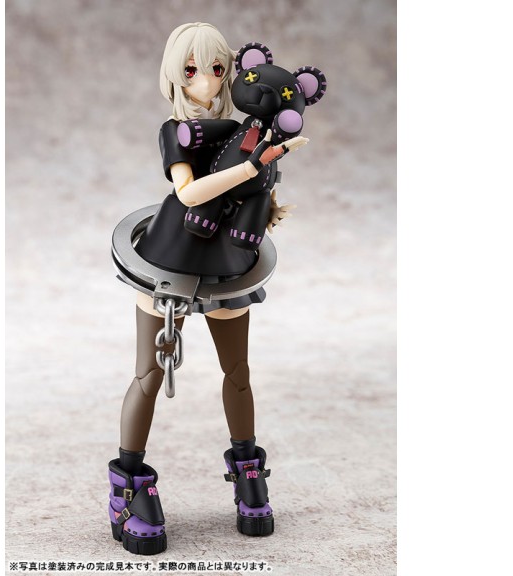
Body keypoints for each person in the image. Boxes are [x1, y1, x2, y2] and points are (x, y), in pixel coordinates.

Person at [107, 23, 303, 556]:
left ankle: (248, 470)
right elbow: (189, 192)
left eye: (218, 69)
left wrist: (264, 183)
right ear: (175, 74)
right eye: (193, 70)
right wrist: (252, 166)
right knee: (148, 373)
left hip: (228, 257)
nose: (208, 81)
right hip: (170, 251)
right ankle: (127, 484)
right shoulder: (177, 131)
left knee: (237, 371)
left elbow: (256, 183)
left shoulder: (241, 129)